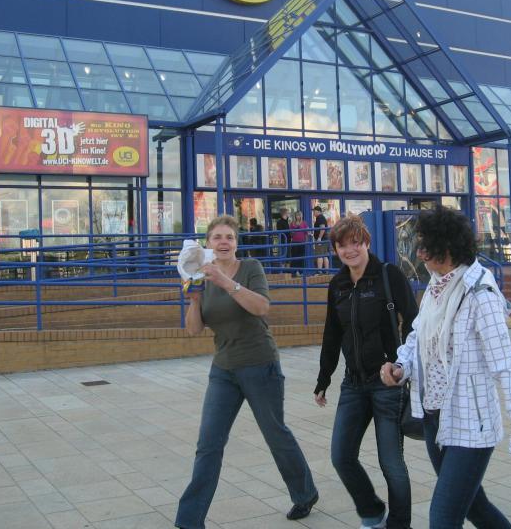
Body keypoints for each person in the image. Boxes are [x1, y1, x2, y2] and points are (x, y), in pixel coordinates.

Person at [380, 206, 511, 529]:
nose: (420, 253)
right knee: (475, 507)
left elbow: (505, 366)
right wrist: (401, 366)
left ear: (448, 247)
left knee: (443, 518)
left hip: (471, 425)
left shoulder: (480, 293)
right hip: (434, 419)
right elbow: (418, 335)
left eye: (426, 246)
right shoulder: (437, 286)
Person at [175, 215, 318, 529]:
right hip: (223, 370)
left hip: (260, 364)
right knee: (208, 444)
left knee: (275, 434)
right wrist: (194, 300)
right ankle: (189, 520)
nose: (223, 242)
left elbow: (262, 307)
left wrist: (226, 282)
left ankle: (305, 493)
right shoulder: (201, 275)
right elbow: (193, 330)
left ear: (236, 243)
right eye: (217, 237)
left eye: (229, 237)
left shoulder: (251, 268)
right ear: (208, 244)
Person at [314, 216, 418, 529]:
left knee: (391, 463)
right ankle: (372, 512)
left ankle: (399, 524)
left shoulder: (388, 275)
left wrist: (400, 364)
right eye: (342, 245)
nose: (350, 250)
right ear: (335, 249)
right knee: (341, 456)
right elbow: (333, 333)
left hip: (388, 383)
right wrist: (324, 378)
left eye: (356, 243)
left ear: (366, 243)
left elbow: (414, 322)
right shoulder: (338, 284)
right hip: (353, 384)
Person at [289, 211, 308, 277]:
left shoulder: (304, 223)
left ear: (301, 216)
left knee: (301, 257)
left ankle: (301, 272)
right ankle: (294, 272)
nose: (298, 217)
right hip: (294, 242)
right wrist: (295, 230)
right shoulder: (292, 223)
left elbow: (306, 233)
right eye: (297, 215)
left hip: (302, 242)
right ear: (295, 216)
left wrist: (306, 242)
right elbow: (291, 234)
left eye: (299, 215)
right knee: (294, 257)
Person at [313, 205, 330, 273]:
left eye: (314, 211)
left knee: (320, 255)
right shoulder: (321, 217)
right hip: (324, 239)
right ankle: (327, 271)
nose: (313, 213)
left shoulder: (320, 218)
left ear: (318, 211)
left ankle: (319, 271)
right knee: (324, 255)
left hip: (322, 239)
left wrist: (319, 238)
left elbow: (322, 228)